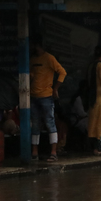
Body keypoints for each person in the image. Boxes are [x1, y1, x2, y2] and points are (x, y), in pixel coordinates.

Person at [29, 34, 67, 162]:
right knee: (35, 125)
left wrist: (55, 88)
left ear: (37, 46)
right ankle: (34, 152)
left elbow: (62, 72)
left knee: (50, 123)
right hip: (33, 97)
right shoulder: (32, 59)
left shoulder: (49, 58)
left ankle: (53, 152)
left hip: (46, 97)